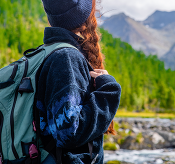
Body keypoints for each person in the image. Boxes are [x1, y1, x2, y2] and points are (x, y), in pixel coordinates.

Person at [37, 0, 121, 163]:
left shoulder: (43, 54)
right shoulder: (67, 57)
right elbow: (69, 131)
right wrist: (109, 92)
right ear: (86, 15)